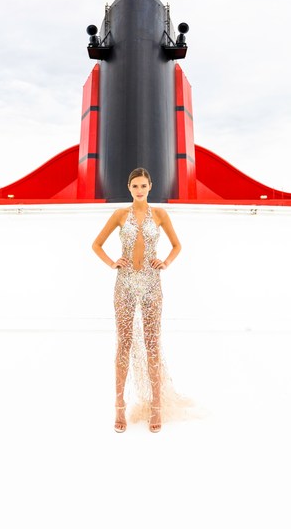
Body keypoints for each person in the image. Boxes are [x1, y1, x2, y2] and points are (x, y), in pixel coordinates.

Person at [92, 167, 193, 433]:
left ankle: (156, 407)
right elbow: (96, 244)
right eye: (135, 186)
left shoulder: (160, 215)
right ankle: (119, 407)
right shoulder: (119, 215)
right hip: (124, 283)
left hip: (151, 283)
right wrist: (113, 263)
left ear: (150, 187)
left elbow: (177, 245)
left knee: (152, 344)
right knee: (123, 344)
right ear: (129, 188)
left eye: (143, 186)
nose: (139, 190)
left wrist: (166, 262)